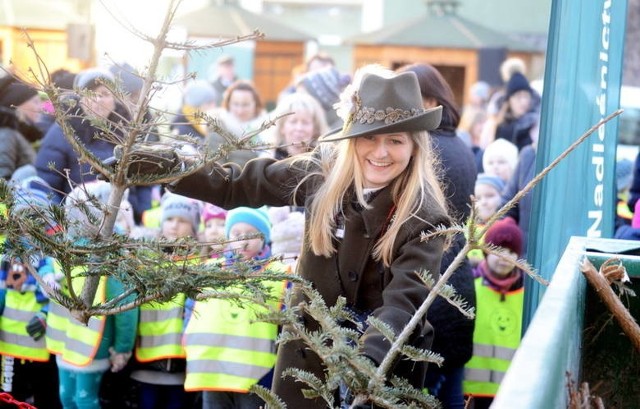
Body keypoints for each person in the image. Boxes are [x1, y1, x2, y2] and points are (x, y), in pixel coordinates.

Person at [120, 64, 451, 407]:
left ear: (414, 147)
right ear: (352, 139)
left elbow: (403, 302)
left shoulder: (424, 217)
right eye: (370, 137)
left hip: (380, 373)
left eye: (395, 141)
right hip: (306, 365)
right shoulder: (322, 174)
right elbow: (239, 183)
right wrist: (170, 168)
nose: (381, 152)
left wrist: (363, 368)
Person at [396, 62, 476, 409]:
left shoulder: (424, 148)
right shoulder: (460, 146)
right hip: (456, 284)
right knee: (451, 396)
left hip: (426, 290)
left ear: (430, 102)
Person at [46, 181, 139, 409]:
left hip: (93, 345)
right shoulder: (64, 249)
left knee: (82, 399)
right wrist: (47, 274)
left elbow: (127, 309)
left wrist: (122, 349)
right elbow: (48, 268)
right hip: (66, 341)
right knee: (69, 398)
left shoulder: (111, 256)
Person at [184, 206, 287, 409]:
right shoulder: (209, 271)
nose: (243, 241)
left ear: (264, 237)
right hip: (211, 370)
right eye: (237, 234)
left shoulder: (279, 274)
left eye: (251, 234)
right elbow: (190, 308)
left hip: (256, 375)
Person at [34, 67, 153, 224]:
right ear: (80, 98)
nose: (98, 100)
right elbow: (47, 184)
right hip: (77, 224)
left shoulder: (127, 133)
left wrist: (141, 213)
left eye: (105, 94)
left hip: (123, 222)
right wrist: (60, 222)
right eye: (91, 94)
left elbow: (143, 178)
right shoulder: (64, 131)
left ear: (114, 100)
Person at [130, 192, 202, 409]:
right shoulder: (145, 260)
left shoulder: (201, 263)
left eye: (182, 220)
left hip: (181, 361)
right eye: (170, 219)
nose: (174, 226)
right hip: (145, 356)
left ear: (194, 227)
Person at [0, 175, 62, 408]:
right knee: (9, 396)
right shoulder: (6, 254)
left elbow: (58, 294)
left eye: (36, 217)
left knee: (46, 394)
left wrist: (46, 316)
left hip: (40, 338)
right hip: (8, 341)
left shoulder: (52, 257)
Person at [463, 217, 525, 409]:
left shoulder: (527, 294)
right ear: (485, 251)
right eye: (497, 250)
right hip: (468, 392)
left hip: (511, 393)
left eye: (511, 252)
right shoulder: (469, 286)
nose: (503, 257)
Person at [0, 75, 44, 180]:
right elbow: (2, 180)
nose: (40, 107)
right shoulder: (7, 135)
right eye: (35, 102)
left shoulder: (23, 135)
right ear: (17, 105)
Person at [269, 91, 329, 159]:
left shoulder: (324, 161)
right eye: (293, 122)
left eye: (305, 122)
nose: (299, 128)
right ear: (281, 127)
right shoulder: (268, 162)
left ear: (316, 129)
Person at [467, 173, 506, 267]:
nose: (483, 202)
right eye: (478, 198)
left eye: (490, 196)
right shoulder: (466, 228)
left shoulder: (504, 229)